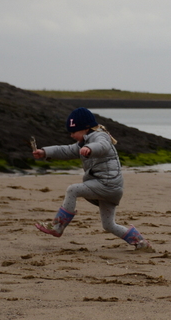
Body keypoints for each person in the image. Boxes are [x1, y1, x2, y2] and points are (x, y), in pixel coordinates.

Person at [33, 107, 151, 251]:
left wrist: (90, 149)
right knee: (108, 225)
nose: (71, 135)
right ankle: (140, 242)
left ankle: (58, 226)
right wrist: (44, 152)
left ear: (85, 128)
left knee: (73, 190)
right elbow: (65, 150)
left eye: (73, 131)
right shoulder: (82, 144)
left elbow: (102, 145)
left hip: (106, 184)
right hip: (110, 188)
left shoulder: (100, 136)